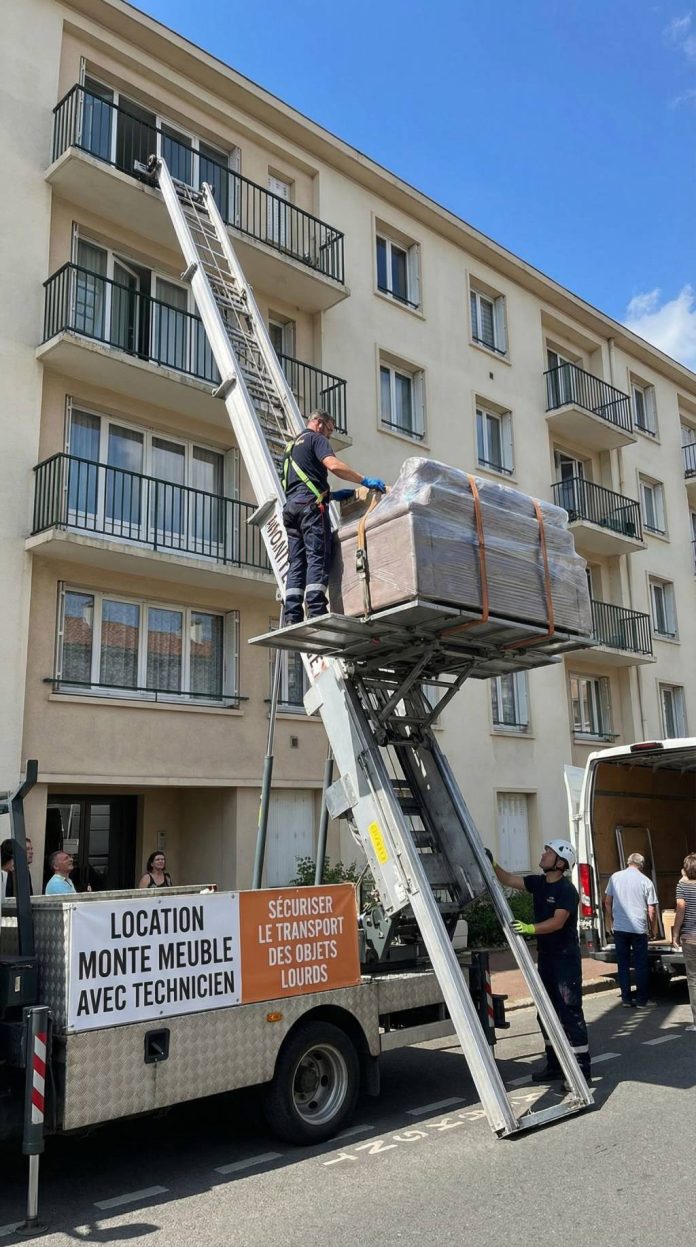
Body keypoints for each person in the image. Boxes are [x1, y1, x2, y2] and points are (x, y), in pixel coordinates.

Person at [487, 839, 590, 1082]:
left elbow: (557, 922)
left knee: (569, 1013)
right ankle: (555, 1065)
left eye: (548, 853)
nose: (543, 855)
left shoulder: (566, 891)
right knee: (545, 1012)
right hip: (546, 958)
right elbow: (509, 879)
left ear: (561, 862)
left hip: (565, 960)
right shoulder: (539, 882)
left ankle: (581, 1071)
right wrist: (492, 863)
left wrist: (529, 928)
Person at [281, 409, 386, 624]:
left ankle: (292, 615)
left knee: (297, 562)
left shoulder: (290, 448)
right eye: (329, 430)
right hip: (311, 509)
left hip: (291, 510)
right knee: (317, 556)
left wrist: (331, 495)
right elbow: (334, 466)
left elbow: (298, 483)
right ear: (319, 423)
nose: (328, 436)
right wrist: (363, 480)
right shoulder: (316, 439)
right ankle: (317, 610)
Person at [604, 852, 657, 1009]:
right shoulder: (646, 881)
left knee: (623, 964)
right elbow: (652, 910)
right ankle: (642, 1000)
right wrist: (652, 928)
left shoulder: (615, 877)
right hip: (639, 928)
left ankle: (626, 999)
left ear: (628, 862)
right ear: (641, 864)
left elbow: (607, 902)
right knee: (641, 965)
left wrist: (611, 920)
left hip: (620, 927)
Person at [670, 852, 696, 1032]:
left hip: (690, 938)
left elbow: (680, 910)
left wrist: (675, 934)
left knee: (693, 980)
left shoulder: (682, 885)